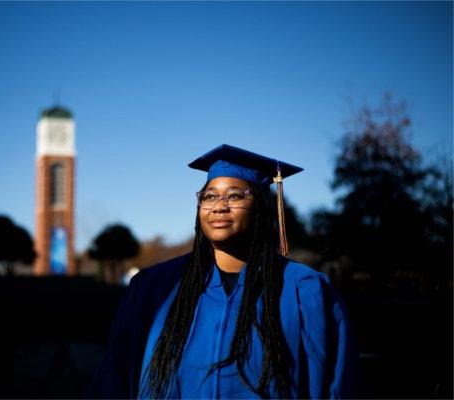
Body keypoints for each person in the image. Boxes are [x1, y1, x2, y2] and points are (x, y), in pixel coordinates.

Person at [88, 144, 359, 399]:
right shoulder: (153, 287)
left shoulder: (306, 290)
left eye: (235, 195)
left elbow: (337, 385)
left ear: (262, 207)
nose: (219, 205)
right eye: (210, 195)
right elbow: (114, 378)